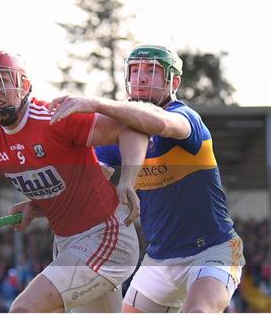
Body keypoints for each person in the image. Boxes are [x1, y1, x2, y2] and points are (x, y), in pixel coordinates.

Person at [0, 51, 149, 312]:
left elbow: (130, 128)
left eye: (1, 81)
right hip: (67, 243)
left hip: (107, 235)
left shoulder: (55, 118)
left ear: (24, 86)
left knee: (24, 309)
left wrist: (128, 180)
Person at [48, 44, 246, 312]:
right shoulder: (118, 135)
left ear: (173, 81)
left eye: (151, 71)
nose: (140, 78)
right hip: (159, 259)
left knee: (198, 311)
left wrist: (94, 104)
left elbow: (159, 123)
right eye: (134, 70)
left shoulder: (186, 119)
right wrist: (41, 204)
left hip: (212, 251)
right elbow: (87, 184)